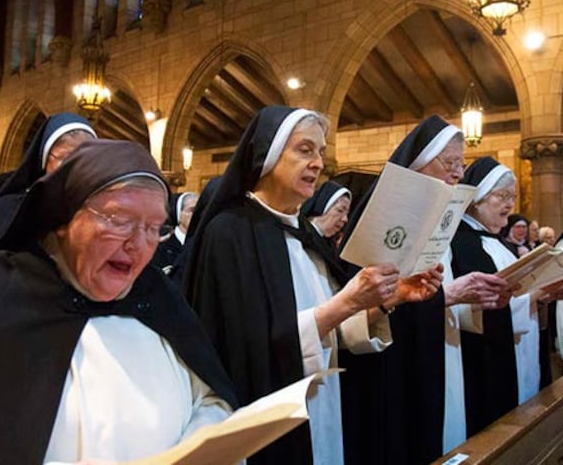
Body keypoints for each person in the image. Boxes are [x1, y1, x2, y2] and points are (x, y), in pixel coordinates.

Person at [0, 139, 238, 464]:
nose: (138, 244)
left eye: (153, 228)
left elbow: (210, 401)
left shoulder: (158, 300)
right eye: (119, 219)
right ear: (63, 218)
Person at [183, 105, 441, 465]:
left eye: (320, 152)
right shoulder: (229, 233)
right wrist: (345, 303)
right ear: (268, 155)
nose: (319, 163)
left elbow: (331, 331)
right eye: (305, 150)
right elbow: (244, 350)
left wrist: (383, 300)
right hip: (270, 425)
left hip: (325, 405)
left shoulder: (305, 234)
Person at [340, 115, 507, 464]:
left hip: (443, 351)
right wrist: (450, 295)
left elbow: (443, 294)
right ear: (417, 164)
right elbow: (372, 305)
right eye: (449, 163)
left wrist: (468, 297)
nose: (459, 173)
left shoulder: (443, 222)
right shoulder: (384, 215)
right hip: (398, 367)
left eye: (461, 164)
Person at [452, 157, 548, 437]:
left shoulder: (498, 243)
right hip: (486, 360)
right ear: (479, 198)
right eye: (502, 196)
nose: (510, 204)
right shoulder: (462, 243)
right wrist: (535, 295)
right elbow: (478, 309)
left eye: (513, 197)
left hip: (521, 350)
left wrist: (540, 298)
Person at [0, 112, 96, 258]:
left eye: (86, 158)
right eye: (66, 158)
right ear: (44, 160)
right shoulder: (7, 210)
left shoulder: (101, 209)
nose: (76, 166)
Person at [151, 191, 198, 273]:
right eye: (192, 210)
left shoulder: (206, 242)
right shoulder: (161, 245)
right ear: (179, 214)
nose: (199, 214)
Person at [300, 180, 351, 246]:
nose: (345, 219)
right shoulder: (297, 237)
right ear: (322, 208)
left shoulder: (330, 247)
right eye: (340, 210)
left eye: (347, 213)